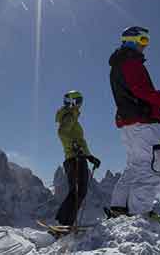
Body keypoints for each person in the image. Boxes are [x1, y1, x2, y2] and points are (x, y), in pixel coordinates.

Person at [106, 26, 160, 222]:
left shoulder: (119, 64)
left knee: (135, 165)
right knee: (154, 166)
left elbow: (136, 91)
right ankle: (140, 213)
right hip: (141, 121)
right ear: (130, 40)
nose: (146, 46)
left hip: (130, 122)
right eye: (143, 41)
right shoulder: (130, 62)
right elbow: (140, 90)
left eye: (147, 42)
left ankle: (119, 207)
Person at [55, 90, 101, 228]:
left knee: (78, 191)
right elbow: (63, 132)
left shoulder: (72, 116)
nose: (81, 105)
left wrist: (89, 156)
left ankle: (66, 221)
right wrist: (74, 146)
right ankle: (64, 222)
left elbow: (78, 139)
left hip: (77, 157)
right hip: (75, 158)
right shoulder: (69, 115)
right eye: (79, 101)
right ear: (73, 102)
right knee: (78, 191)